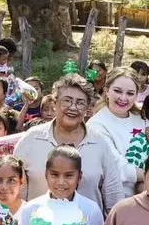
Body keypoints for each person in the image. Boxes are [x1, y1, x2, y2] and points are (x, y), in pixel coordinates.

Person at [16, 74, 126, 214]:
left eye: (80, 103)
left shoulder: (99, 143)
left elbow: (113, 195)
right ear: (55, 103)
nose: (73, 107)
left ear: (87, 109)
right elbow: (17, 190)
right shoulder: (31, 138)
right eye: (67, 101)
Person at [86, 67, 149, 198]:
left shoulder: (141, 118)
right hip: (120, 201)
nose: (123, 98)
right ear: (106, 91)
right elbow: (118, 169)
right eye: (117, 91)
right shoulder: (96, 125)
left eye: (130, 93)